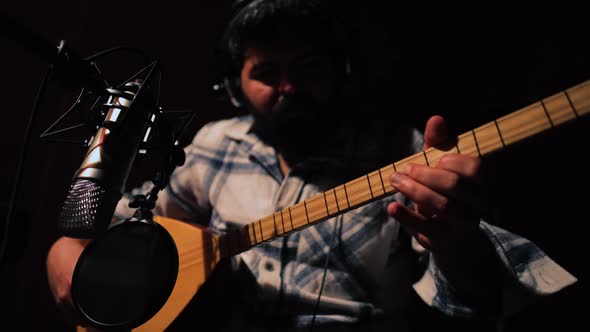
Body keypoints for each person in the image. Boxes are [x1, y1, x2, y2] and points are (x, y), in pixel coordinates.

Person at [46, 0, 577, 331]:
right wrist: (67, 251)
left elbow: (476, 306)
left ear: (341, 74)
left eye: (307, 67)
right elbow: (135, 229)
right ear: (234, 86)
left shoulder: (406, 150)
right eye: (267, 71)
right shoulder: (214, 144)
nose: (288, 87)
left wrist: (457, 243)